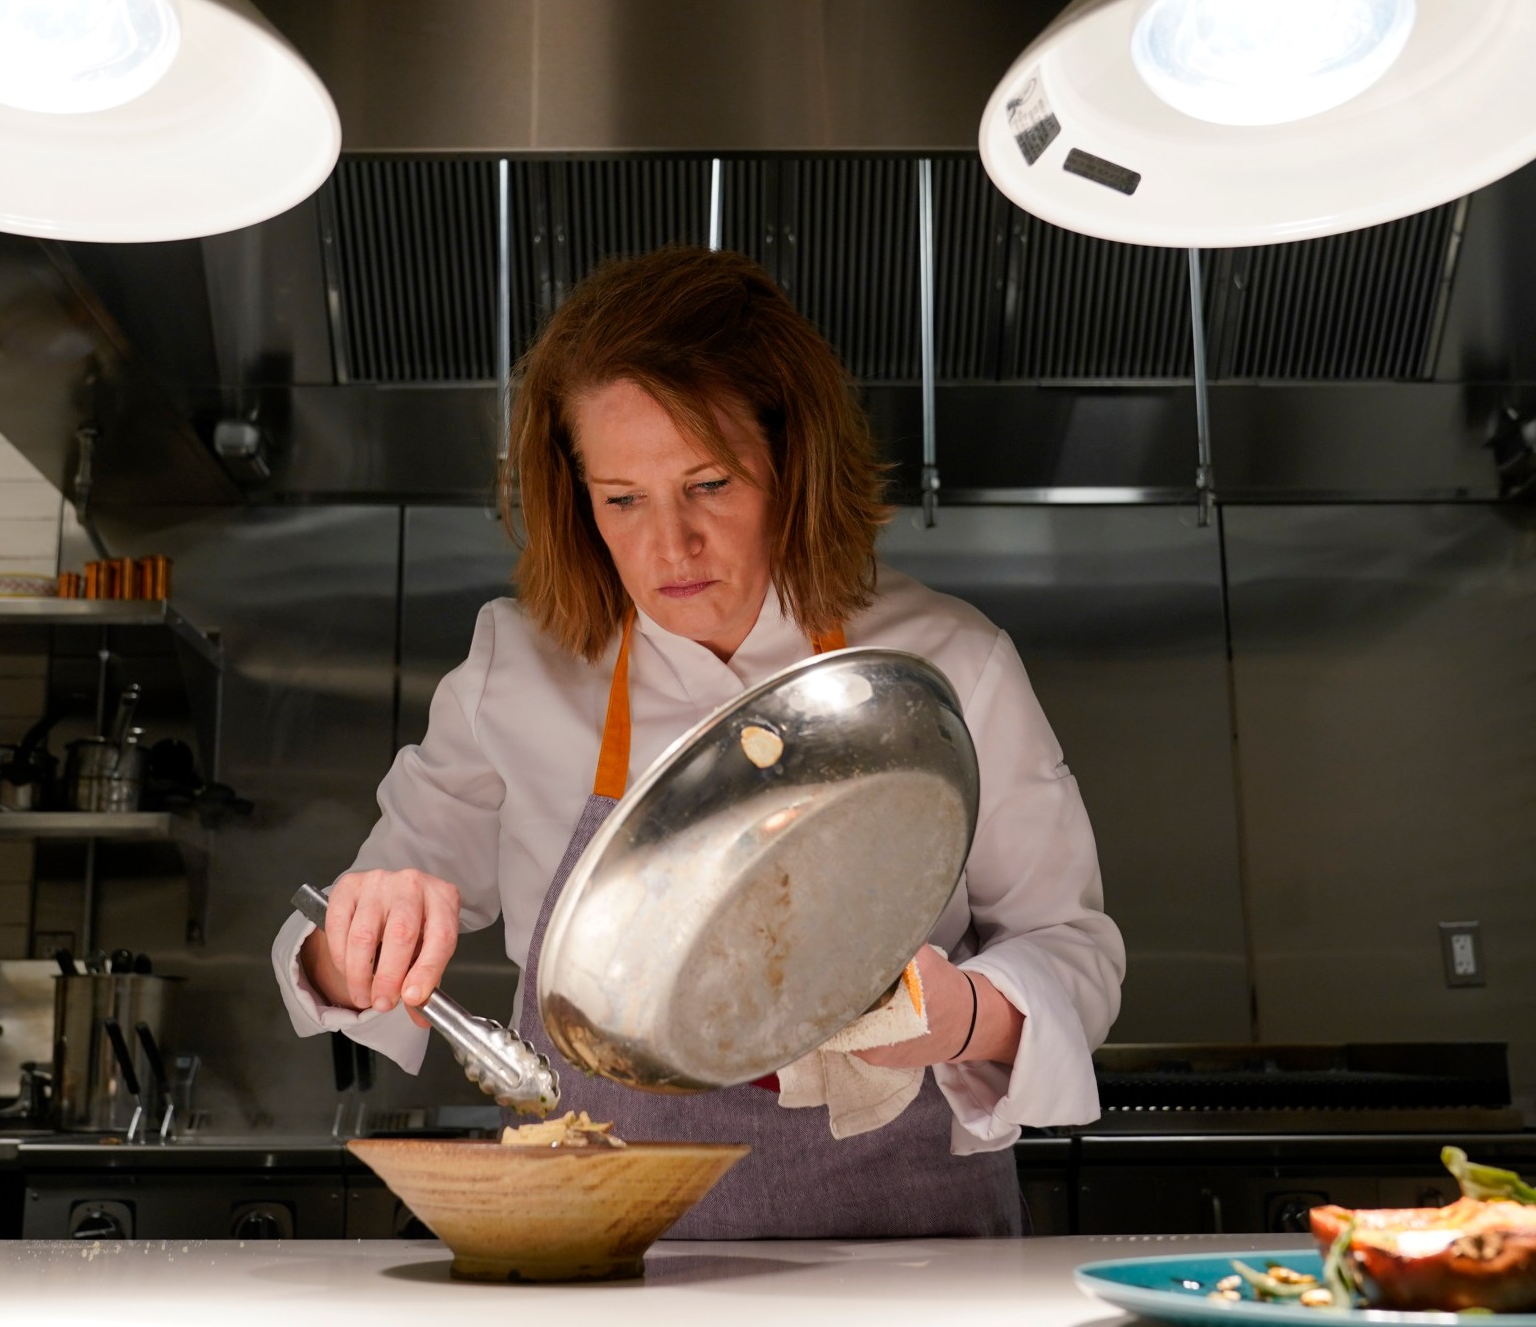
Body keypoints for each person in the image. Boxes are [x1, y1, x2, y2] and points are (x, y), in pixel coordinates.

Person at [273, 245, 1123, 1237]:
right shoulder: (514, 669)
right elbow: (338, 950)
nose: (667, 546)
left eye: (709, 485)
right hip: (615, 1251)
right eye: (620, 499)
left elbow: (1071, 947)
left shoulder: (949, 662)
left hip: (909, 1250)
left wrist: (969, 1016)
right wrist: (361, 937)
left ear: (791, 464)